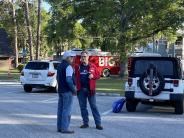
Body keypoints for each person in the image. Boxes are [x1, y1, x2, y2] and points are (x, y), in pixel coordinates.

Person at [75, 50, 103, 130]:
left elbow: (98, 76)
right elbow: (74, 77)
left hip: (91, 90)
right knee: (83, 107)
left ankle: (98, 124)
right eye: (82, 56)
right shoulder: (78, 67)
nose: (83, 58)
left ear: (88, 57)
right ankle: (85, 123)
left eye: (84, 56)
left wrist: (93, 76)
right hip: (81, 90)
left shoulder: (92, 66)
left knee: (94, 107)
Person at [57, 51, 77, 134]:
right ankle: (65, 128)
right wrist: (74, 90)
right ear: (67, 58)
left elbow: (57, 78)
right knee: (67, 110)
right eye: (71, 57)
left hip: (61, 90)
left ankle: (60, 127)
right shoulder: (68, 67)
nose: (72, 59)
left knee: (60, 110)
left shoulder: (59, 66)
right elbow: (69, 80)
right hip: (67, 91)